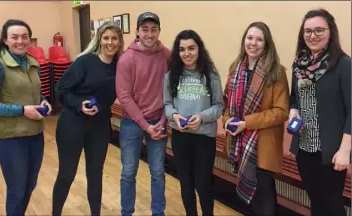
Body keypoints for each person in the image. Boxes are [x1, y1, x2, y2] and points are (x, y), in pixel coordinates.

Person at [52, 21, 124, 216]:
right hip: (72, 123)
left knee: (95, 175)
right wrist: (79, 105)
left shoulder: (120, 67)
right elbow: (60, 89)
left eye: (114, 38)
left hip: (99, 127)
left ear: (119, 42)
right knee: (67, 174)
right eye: (106, 38)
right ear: (99, 40)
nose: (110, 42)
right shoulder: (85, 62)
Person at [222, 22, 289, 216]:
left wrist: (246, 124)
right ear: (244, 40)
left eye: (259, 39)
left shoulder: (277, 71)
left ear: (266, 43)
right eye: (250, 38)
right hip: (239, 143)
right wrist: (227, 121)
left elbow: (281, 111)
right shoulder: (235, 69)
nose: (253, 43)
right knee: (251, 203)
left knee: (265, 201)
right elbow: (226, 105)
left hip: (263, 145)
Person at [289, 9, 351, 216]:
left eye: (318, 30)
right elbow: (293, 99)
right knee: (315, 202)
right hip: (304, 148)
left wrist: (345, 151)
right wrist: (293, 113)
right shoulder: (299, 64)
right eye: (308, 31)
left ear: (330, 32)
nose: (312, 36)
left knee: (332, 205)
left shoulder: (343, 64)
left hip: (331, 152)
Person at [0, 19, 52, 216]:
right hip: (10, 138)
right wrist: (21, 110)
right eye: (14, 37)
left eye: (24, 36)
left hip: (35, 134)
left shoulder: (32, 62)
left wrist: (44, 101)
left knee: (30, 185)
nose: (20, 41)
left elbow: (34, 93)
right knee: (17, 190)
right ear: (5, 40)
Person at [163, 29, 224, 216]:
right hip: (181, 137)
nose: (187, 53)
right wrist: (174, 116)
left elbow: (218, 106)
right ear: (177, 52)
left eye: (191, 48)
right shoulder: (171, 76)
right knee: (186, 184)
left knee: (203, 184)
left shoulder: (211, 75)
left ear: (199, 49)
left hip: (204, 138)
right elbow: (167, 104)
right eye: (182, 49)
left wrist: (202, 117)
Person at [116, 12, 170, 216]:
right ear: (137, 32)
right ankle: (126, 212)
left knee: (158, 172)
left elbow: (171, 91)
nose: (149, 34)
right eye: (145, 29)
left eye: (153, 29)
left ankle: (159, 212)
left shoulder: (167, 55)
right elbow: (124, 96)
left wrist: (163, 120)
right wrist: (145, 125)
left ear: (158, 31)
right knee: (128, 173)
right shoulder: (126, 58)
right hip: (132, 123)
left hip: (159, 121)